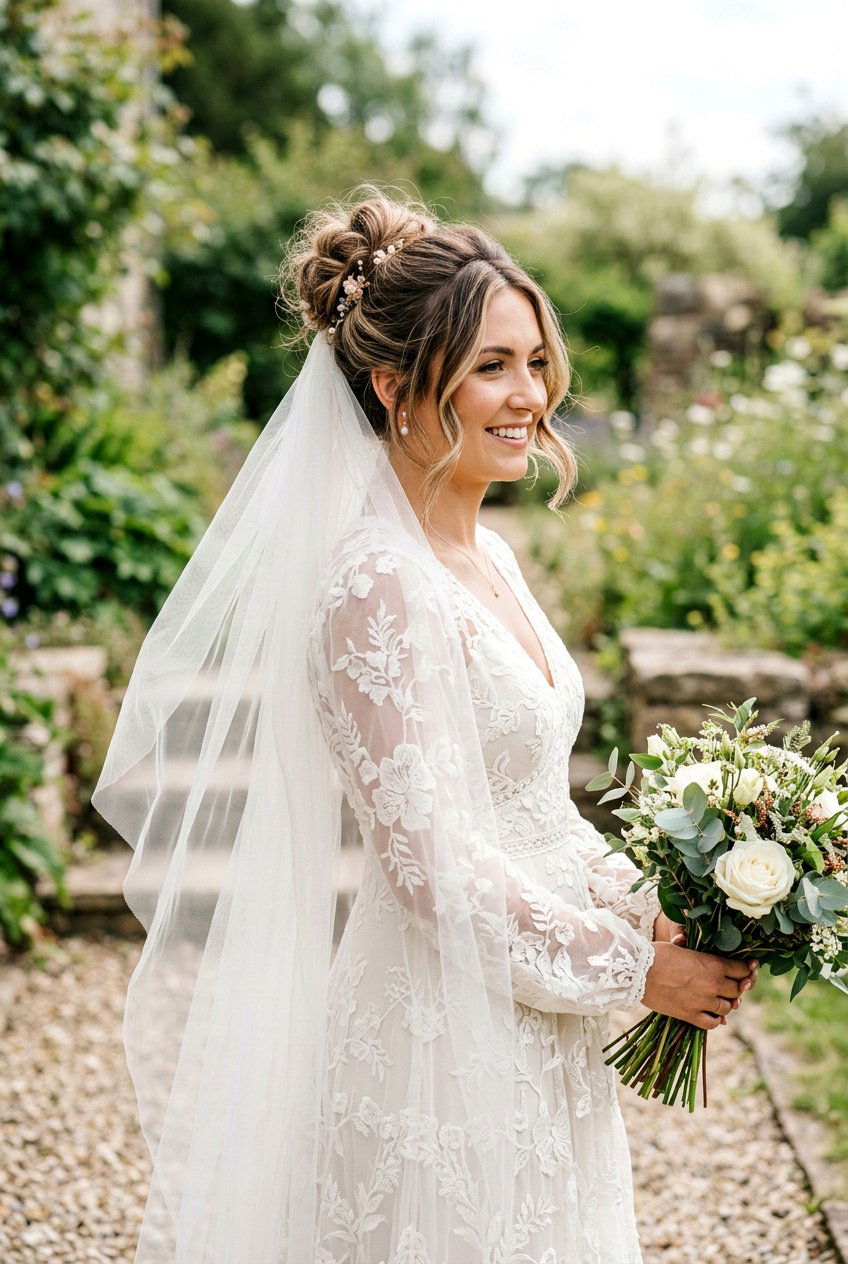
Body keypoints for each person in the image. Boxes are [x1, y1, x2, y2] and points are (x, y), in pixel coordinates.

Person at [92, 184, 757, 1263]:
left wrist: (662, 908)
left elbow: (532, 812)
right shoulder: (376, 583)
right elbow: (433, 863)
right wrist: (632, 971)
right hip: (440, 1038)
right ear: (396, 386)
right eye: (491, 365)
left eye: (534, 361)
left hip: (535, 1013)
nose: (529, 395)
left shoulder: (489, 556)